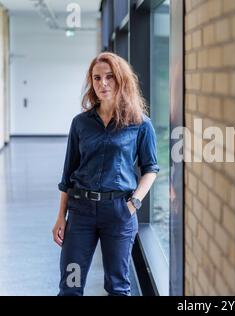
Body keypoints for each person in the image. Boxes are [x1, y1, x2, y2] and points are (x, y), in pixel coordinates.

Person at [52, 52, 159, 296]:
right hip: (80, 215)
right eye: (97, 78)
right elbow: (68, 174)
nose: (103, 83)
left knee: (118, 287)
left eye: (110, 77)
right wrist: (61, 216)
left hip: (119, 214)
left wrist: (133, 204)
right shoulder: (80, 123)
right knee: (70, 285)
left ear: (121, 80)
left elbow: (150, 168)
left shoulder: (140, 123)